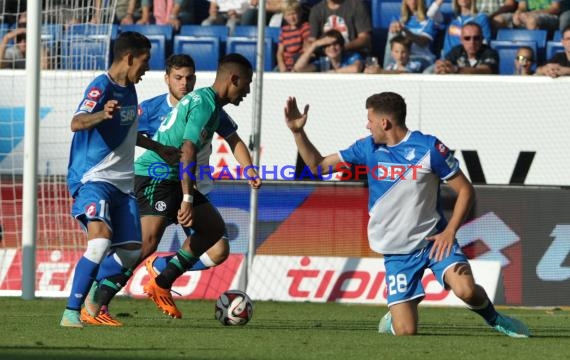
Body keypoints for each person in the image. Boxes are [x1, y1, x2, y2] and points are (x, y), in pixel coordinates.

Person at [284, 92, 531, 338]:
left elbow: (466, 191)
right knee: (406, 332)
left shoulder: (428, 148)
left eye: (370, 120)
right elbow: (318, 165)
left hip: (433, 242)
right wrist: (297, 132)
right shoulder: (367, 147)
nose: (366, 125)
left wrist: (449, 232)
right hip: (397, 252)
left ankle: (495, 318)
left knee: (465, 290)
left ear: (385, 123)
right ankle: (395, 316)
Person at [135, 53, 256, 319]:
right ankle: (97, 296)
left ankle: (162, 269)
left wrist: (248, 168)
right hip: (162, 182)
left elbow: (233, 140)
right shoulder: (153, 108)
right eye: (178, 78)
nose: (184, 83)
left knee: (219, 248)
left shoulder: (207, 105)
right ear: (167, 79)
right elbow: (127, 131)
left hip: (194, 186)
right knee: (144, 242)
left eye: (189, 78)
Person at [60, 31, 151, 328]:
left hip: (123, 185)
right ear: (129, 58)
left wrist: (159, 147)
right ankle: (71, 313)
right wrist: (101, 114)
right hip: (94, 177)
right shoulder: (102, 86)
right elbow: (77, 122)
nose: (147, 68)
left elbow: (126, 131)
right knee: (99, 243)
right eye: (144, 61)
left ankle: (89, 289)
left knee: (130, 253)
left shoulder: (130, 89)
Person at [383, 0, 437, 71]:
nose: (412, 1)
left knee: (406, 69)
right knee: (393, 31)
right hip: (402, 57)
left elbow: (423, 42)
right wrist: (395, 27)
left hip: (422, 58)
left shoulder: (429, 20)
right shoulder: (398, 19)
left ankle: (389, 71)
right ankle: (387, 67)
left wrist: (406, 31)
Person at [307, 0, 372, 56]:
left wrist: (341, 48)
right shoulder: (316, 10)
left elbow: (365, 38)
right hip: (327, 58)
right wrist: (309, 46)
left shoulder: (356, 5)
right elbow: (312, 40)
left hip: (352, 55)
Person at [432, 22, 498, 74]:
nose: (472, 42)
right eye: (467, 38)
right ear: (461, 40)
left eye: (476, 38)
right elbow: (447, 63)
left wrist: (456, 69)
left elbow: (484, 71)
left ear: (482, 39)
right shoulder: (456, 51)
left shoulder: (490, 53)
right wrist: (443, 66)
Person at [293, 28, 363, 72]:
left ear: (341, 46)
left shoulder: (352, 56)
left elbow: (356, 68)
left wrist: (334, 73)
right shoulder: (323, 62)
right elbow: (298, 68)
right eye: (328, 45)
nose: (332, 47)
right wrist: (315, 45)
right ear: (324, 49)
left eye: (335, 44)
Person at [276, 0, 311, 72]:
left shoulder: (305, 27)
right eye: (288, 15)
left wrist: (295, 68)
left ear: (300, 13)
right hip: (285, 65)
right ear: (285, 16)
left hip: (298, 65)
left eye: (294, 14)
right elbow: (280, 52)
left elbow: (306, 49)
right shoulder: (284, 30)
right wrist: (282, 65)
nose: (292, 17)